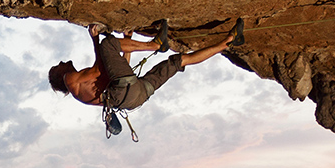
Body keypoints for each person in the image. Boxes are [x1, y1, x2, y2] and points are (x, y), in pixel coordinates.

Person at [48, 20, 242, 115]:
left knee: (180, 60)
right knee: (107, 45)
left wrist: (127, 41)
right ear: (59, 77)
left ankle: (228, 42)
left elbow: (118, 69)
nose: (61, 63)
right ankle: (155, 44)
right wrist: (95, 38)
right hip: (125, 89)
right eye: (57, 67)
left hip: (136, 97)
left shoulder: (84, 90)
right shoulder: (70, 80)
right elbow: (100, 68)